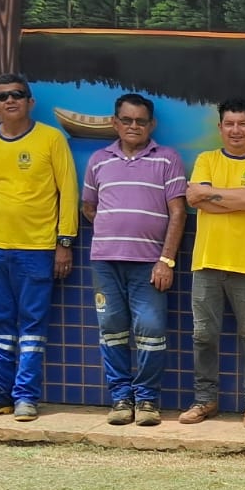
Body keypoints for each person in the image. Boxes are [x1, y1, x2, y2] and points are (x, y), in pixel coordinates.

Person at [0, 72, 79, 422]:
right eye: (3, 96)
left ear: (30, 101)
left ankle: (26, 397)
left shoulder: (51, 139)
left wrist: (64, 243)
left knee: (32, 326)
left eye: (18, 94)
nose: (10, 100)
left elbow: (68, 193)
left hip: (38, 249)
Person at [79, 93, 187, 428]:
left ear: (151, 125)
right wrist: (114, 229)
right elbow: (88, 206)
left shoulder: (168, 159)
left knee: (151, 331)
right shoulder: (98, 160)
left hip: (150, 264)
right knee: (111, 329)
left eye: (141, 121)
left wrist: (166, 260)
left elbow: (179, 213)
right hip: (105, 262)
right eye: (127, 120)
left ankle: (147, 399)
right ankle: (121, 398)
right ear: (115, 122)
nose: (134, 126)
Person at [180, 98, 245, 429]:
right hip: (206, 261)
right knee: (203, 335)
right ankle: (204, 399)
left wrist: (214, 196)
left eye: (242, 124)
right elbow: (194, 199)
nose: (236, 130)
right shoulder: (206, 159)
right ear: (220, 128)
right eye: (229, 124)